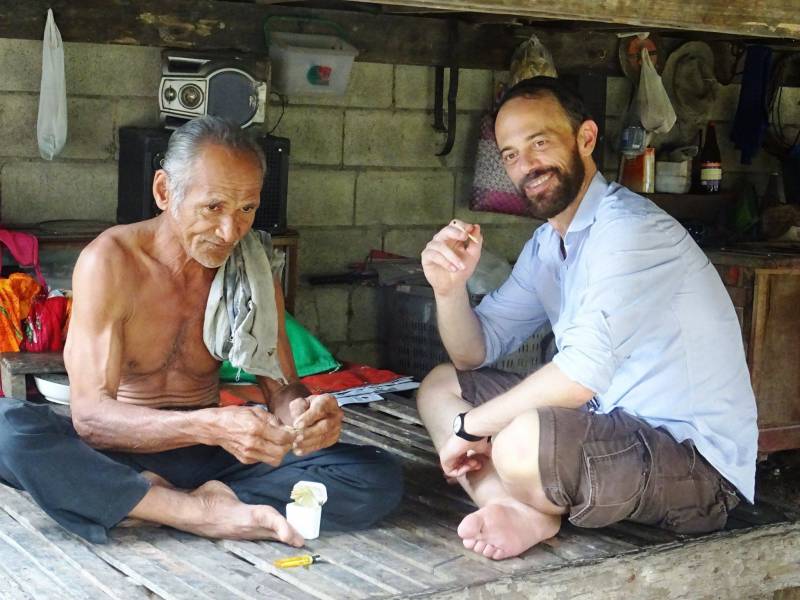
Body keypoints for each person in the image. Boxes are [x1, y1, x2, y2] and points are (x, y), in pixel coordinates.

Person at [0, 116, 403, 544]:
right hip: (122, 451)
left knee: (376, 475)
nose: (230, 231)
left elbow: (282, 390)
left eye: (247, 209)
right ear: (163, 191)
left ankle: (157, 503)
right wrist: (210, 424)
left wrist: (305, 417)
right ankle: (191, 510)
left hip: (214, 459)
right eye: (213, 207)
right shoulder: (111, 262)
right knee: (8, 430)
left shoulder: (252, 267)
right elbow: (91, 419)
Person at [418, 77, 757, 561]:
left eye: (540, 143)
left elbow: (578, 377)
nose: (526, 166)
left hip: (694, 467)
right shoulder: (548, 244)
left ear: (586, 138)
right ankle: (516, 508)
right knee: (439, 386)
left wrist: (471, 427)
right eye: (511, 154)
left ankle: (523, 491)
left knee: (517, 440)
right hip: (604, 426)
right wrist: (448, 288)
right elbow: (474, 351)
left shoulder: (630, 230)